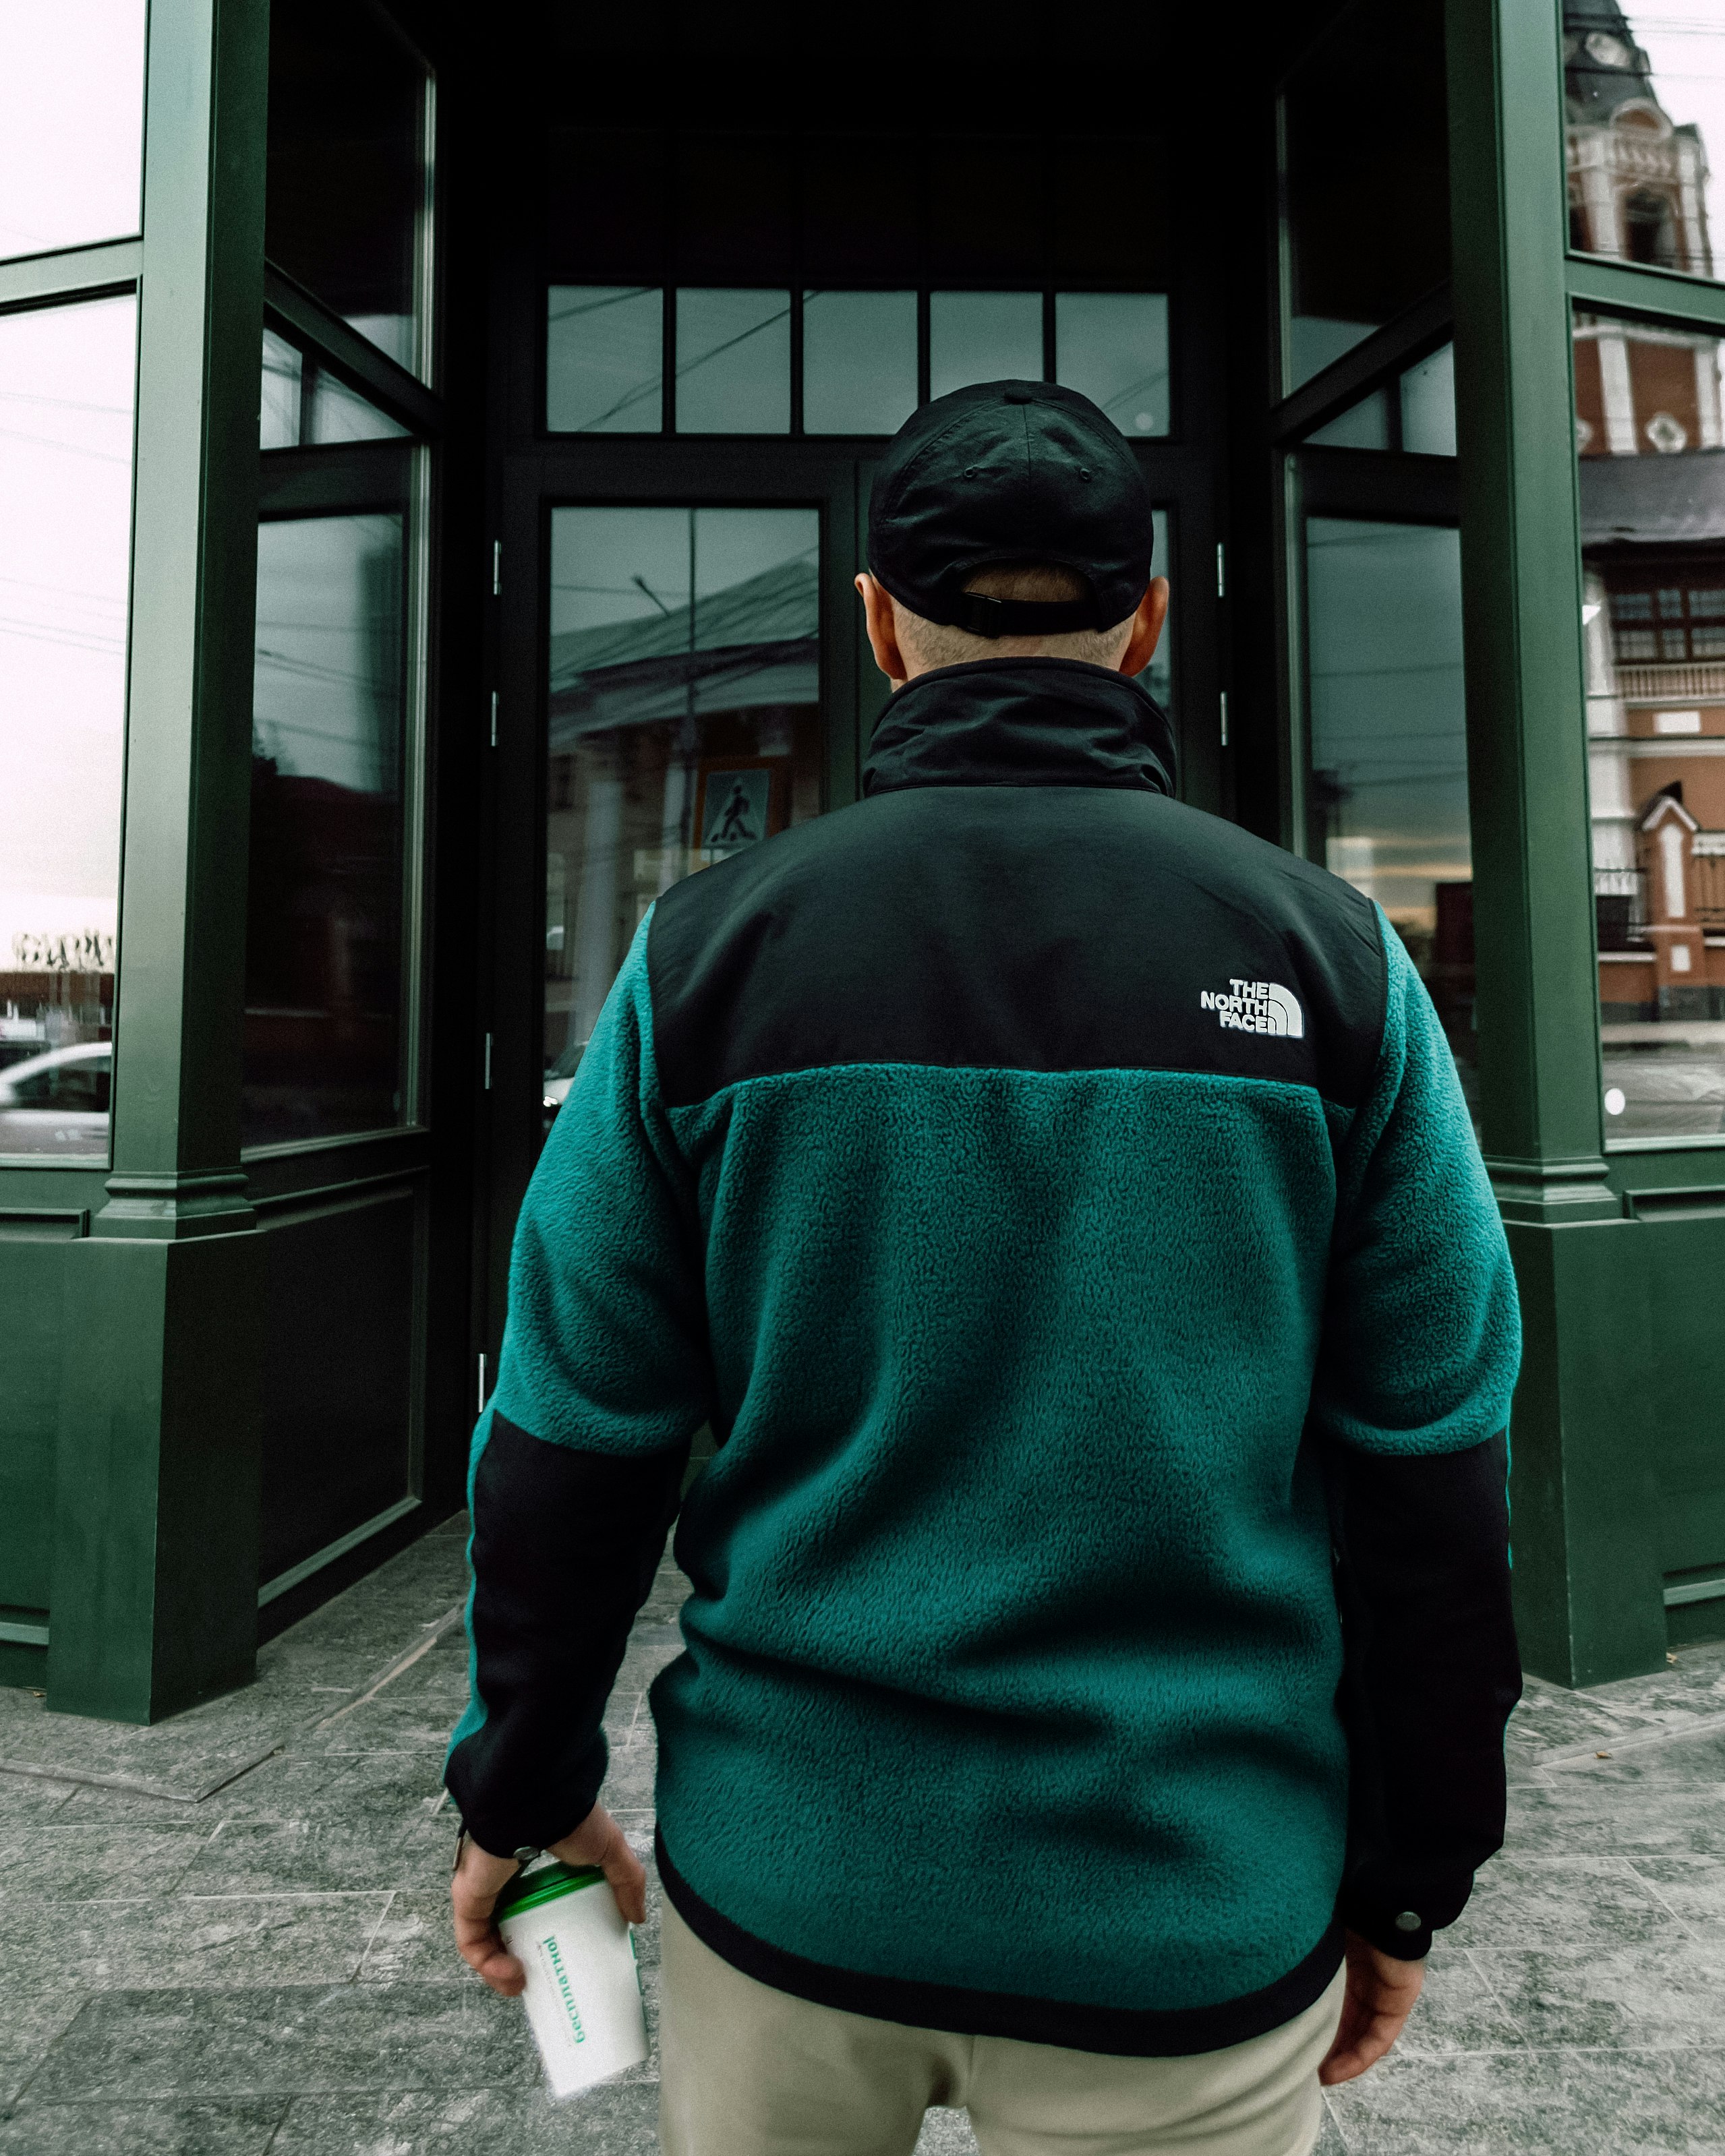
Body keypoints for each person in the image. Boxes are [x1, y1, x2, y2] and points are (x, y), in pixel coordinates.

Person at [446, 380, 1523, 2156]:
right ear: (1147, 626)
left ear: (876, 624)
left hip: (793, 1899)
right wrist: (1411, 1878)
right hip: (1186, 1912)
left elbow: (570, 1438)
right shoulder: (1329, 962)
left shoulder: (706, 958)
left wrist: (525, 1791)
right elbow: (1432, 1479)